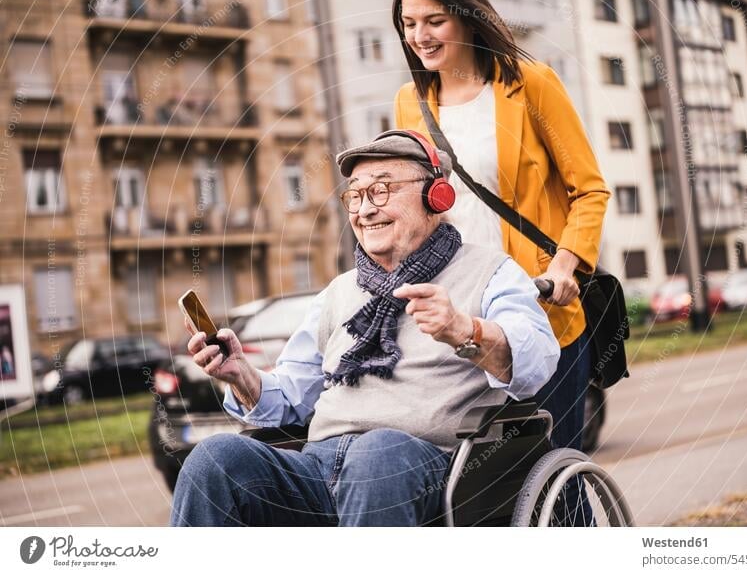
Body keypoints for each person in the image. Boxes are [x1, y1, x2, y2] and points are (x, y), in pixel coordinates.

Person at [170, 132, 560, 527]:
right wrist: (242, 376)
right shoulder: (339, 292)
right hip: (317, 470)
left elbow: (536, 361)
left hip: (432, 472)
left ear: (437, 196)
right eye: (355, 196)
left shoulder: (491, 272)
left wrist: (466, 331)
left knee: (378, 454)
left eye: (381, 190)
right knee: (215, 459)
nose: (364, 210)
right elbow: (290, 398)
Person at [392, 0, 610, 463]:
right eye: (409, 24)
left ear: (469, 20)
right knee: (480, 491)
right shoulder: (410, 103)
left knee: (552, 477)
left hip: (538, 306)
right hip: (459, 320)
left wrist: (567, 266)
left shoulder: (531, 85)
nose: (419, 36)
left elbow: (589, 191)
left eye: (434, 21)